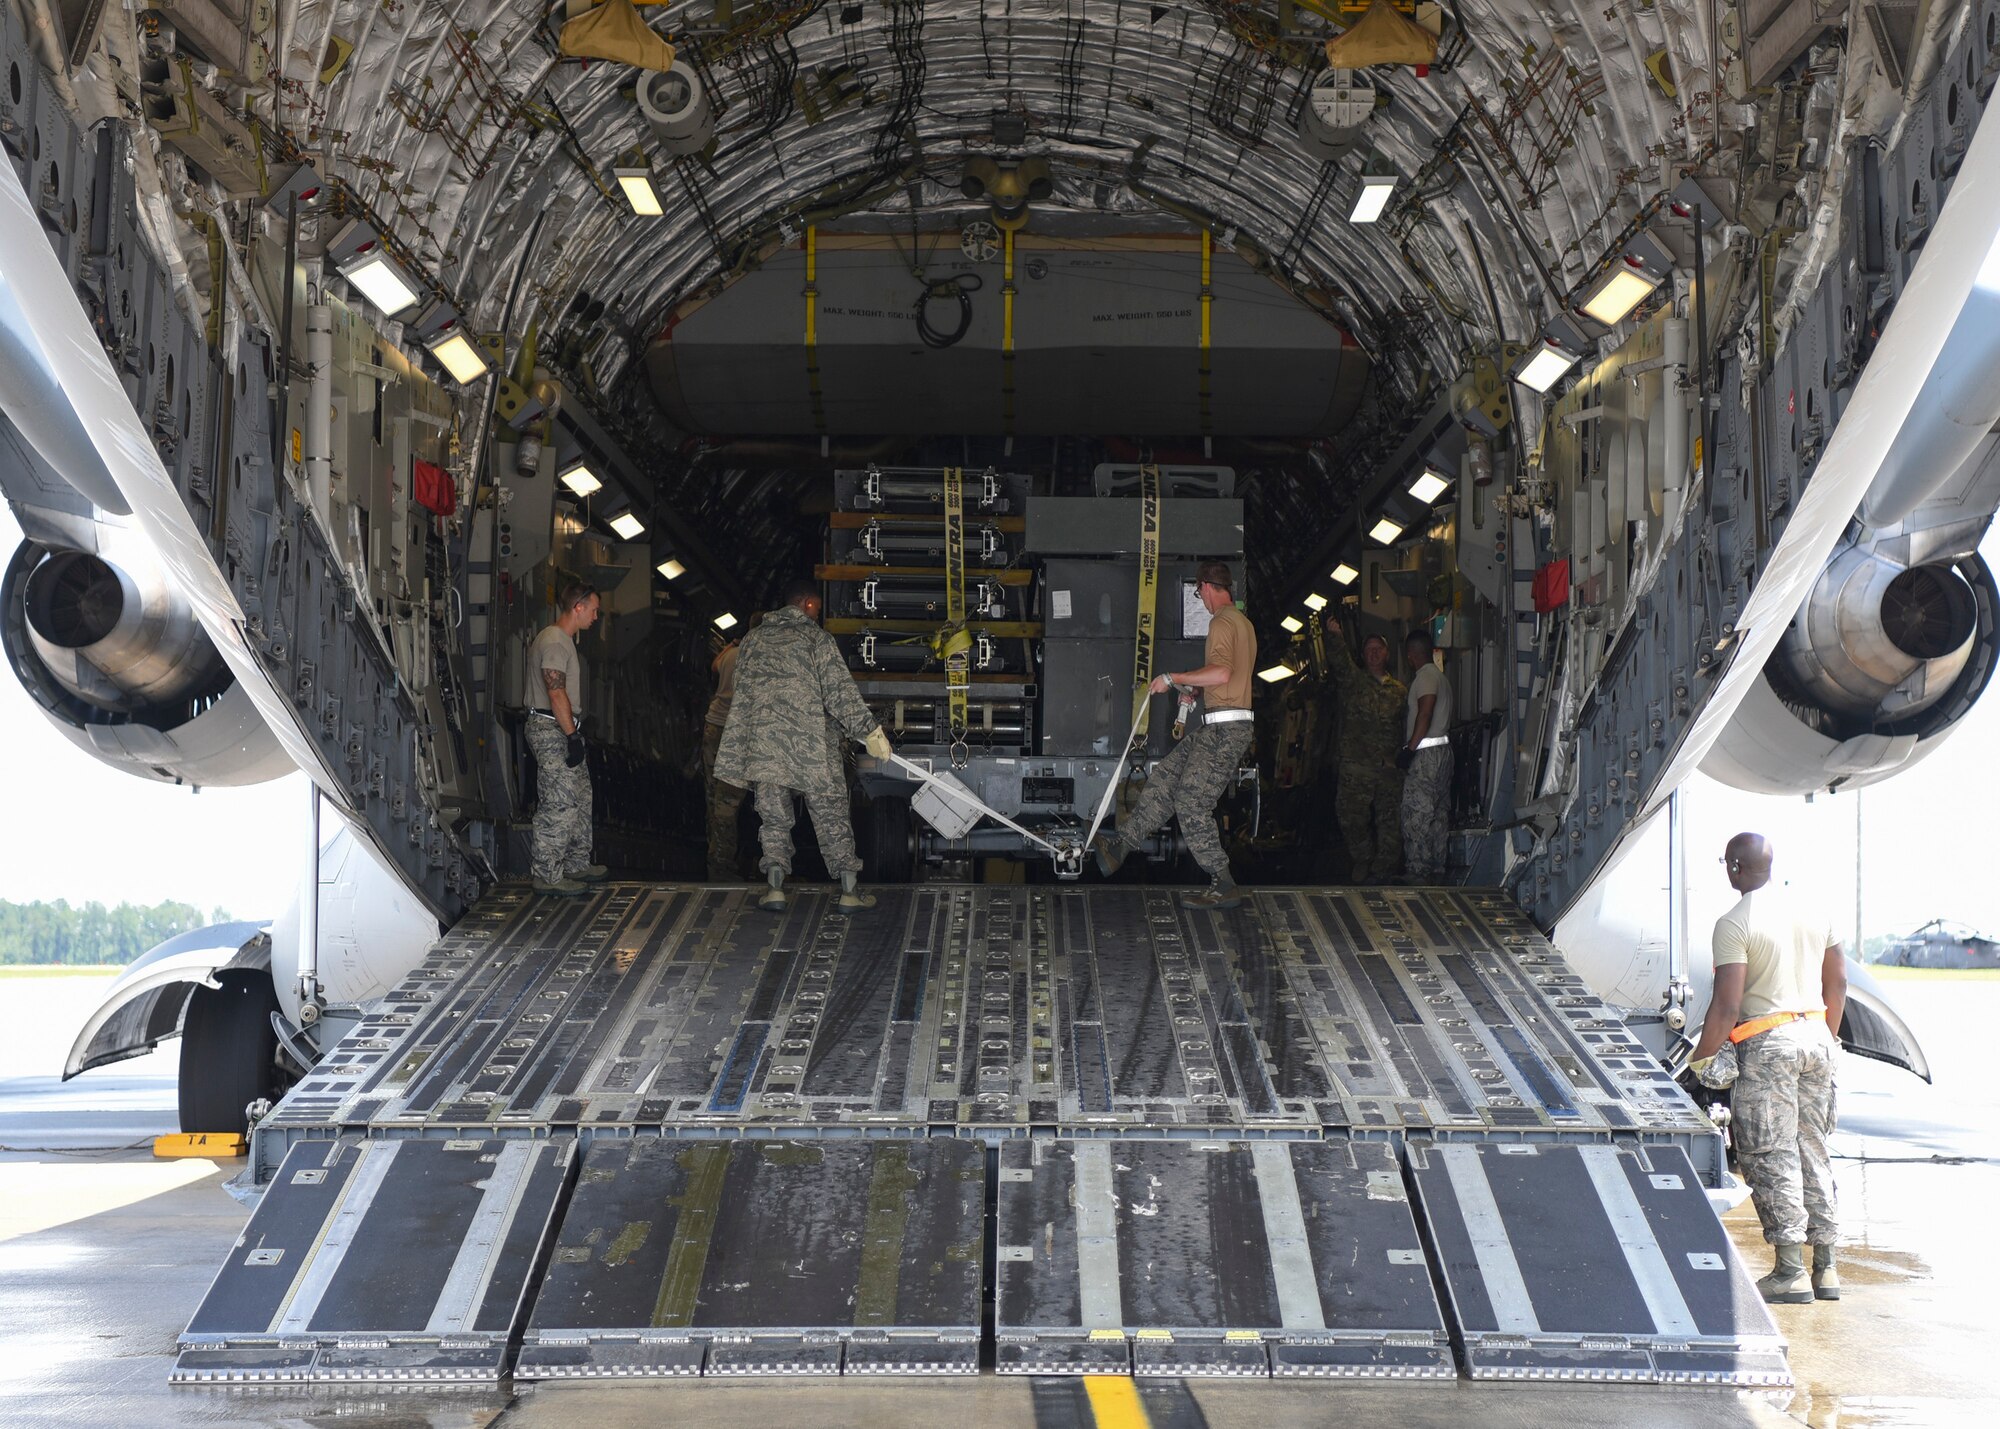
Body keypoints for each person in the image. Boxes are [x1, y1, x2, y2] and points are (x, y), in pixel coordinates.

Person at [1687, 833, 1847, 1306]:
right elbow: (1836, 984)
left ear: (1734, 868)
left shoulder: (1735, 922)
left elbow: (1726, 1005)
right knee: (1813, 1149)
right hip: (1817, 1035)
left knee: (1771, 1153)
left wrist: (1700, 1059)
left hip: (1768, 1043)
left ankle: (1790, 1272)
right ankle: (1827, 1269)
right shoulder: (1817, 911)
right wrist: (1828, 1038)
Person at [714, 579, 894, 912]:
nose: (818, 614)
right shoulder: (816, 639)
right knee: (832, 817)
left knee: (774, 819)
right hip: (811, 747)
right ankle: (850, 892)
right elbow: (839, 693)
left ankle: (776, 890)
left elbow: (744, 694)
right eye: (817, 609)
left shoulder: (752, 641)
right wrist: (869, 731)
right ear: (808, 605)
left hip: (764, 748)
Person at [1092, 561, 1256, 909]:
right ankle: (1120, 848)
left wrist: (1171, 677)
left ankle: (1222, 880)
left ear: (1207, 587)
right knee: (1166, 777)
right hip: (1219, 724)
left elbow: (1223, 673)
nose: (1202, 600)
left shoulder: (1222, 621)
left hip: (1225, 730)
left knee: (1191, 802)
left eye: (1199, 593)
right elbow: (1228, 677)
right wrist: (1194, 690)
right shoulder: (1243, 624)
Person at [525, 581, 605, 896]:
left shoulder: (564, 641)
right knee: (558, 801)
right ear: (578, 607)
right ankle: (547, 874)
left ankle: (575, 863)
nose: (596, 617)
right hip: (551, 728)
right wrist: (571, 736)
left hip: (563, 727)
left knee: (581, 795)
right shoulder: (556, 641)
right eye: (594, 610)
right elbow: (554, 690)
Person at [1322, 611, 1406, 882]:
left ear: (1387, 654)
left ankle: (1382, 873)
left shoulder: (1400, 691)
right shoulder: (1353, 682)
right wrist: (1335, 637)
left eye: (1378, 649)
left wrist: (1402, 759)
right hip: (1356, 767)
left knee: (1390, 825)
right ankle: (1363, 858)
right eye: (1368, 650)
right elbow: (1340, 662)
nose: (1373, 654)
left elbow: (1408, 727)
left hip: (1387, 770)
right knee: (1349, 818)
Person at [1398, 629, 1454, 883]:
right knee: (1439, 814)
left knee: (1417, 813)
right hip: (1443, 753)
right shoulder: (1442, 678)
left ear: (1411, 656)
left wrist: (1410, 749)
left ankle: (1418, 870)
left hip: (1426, 757)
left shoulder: (1425, 678)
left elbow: (1425, 713)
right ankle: (1437, 868)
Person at [702, 637, 747, 881]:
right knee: (728, 800)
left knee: (713, 795)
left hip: (713, 725)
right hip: (734, 731)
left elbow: (714, 665)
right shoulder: (757, 656)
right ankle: (722, 865)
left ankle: (715, 857)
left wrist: (730, 645)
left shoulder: (730, 655)